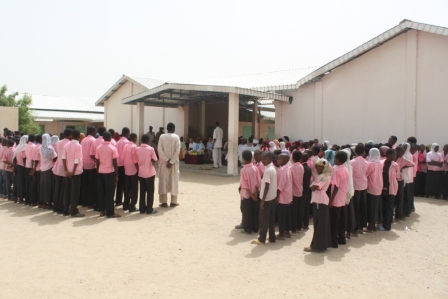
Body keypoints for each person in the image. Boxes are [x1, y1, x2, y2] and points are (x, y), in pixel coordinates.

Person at [304, 158, 332, 252]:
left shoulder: (322, 176)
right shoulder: (325, 175)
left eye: (318, 167)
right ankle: (323, 244)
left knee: (319, 224)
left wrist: (312, 185)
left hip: (319, 201)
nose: (316, 169)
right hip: (321, 200)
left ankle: (317, 246)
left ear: (324, 167)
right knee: (322, 223)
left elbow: (313, 187)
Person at [251, 151, 277, 245]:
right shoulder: (273, 168)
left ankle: (261, 239)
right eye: (262, 159)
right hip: (272, 196)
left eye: (265, 159)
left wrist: (262, 201)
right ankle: (272, 237)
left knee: (263, 219)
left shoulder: (267, 170)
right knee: (271, 218)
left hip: (267, 198)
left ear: (270, 158)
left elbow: (267, 185)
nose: (262, 161)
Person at [95, 131, 120, 218]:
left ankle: (102, 210)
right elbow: (115, 163)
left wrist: (98, 170)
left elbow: (97, 160)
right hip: (109, 172)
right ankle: (110, 212)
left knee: (101, 192)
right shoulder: (112, 148)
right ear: (110, 138)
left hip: (101, 172)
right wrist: (116, 175)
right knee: (109, 193)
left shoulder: (98, 147)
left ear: (103, 138)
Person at [158, 122, 180, 207]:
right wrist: (171, 161)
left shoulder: (162, 137)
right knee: (174, 181)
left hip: (164, 163)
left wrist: (167, 160)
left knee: (163, 181)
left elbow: (159, 150)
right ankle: (173, 202)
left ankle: (164, 202)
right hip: (173, 164)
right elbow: (178, 150)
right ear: (173, 128)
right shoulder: (176, 137)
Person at [62, 129, 84, 217]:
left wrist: (66, 170)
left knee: (67, 191)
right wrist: (73, 172)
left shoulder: (66, 145)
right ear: (79, 136)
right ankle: (73, 210)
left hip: (68, 171)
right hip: (76, 172)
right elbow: (77, 160)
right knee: (75, 192)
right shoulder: (78, 146)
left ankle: (65, 209)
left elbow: (63, 158)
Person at [329, 151, 349, 248]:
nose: (334, 160)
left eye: (335, 158)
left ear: (339, 159)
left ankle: (334, 242)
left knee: (334, 221)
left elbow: (336, 186)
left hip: (336, 198)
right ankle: (341, 238)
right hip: (342, 196)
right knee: (341, 219)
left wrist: (331, 200)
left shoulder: (337, 171)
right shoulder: (345, 169)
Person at [239, 150, 261, 234]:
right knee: (255, 210)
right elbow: (258, 181)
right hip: (255, 193)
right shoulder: (255, 168)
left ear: (243, 158)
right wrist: (255, 192)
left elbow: (244, 184)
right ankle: (255, 227)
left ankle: (248, 228)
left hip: (247, 194)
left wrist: (250, 194)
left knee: (247, 211)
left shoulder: (243, 170)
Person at [136, 134, 158, 214]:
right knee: (150, 192)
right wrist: (152, 162)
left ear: (141, 140)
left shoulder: (137, 149)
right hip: (150, 173)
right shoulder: (150, 149)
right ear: (148, 140)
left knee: (142, 192)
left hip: (141, 173)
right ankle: (149, 209)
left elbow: (135, 161)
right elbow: (155, 159)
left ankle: (142, 208)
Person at [379, 149, 399, 231]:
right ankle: (383, 222)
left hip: (391, 189)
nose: (396, 156)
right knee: (383, 207)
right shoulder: (381, 163)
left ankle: (387, 225)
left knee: (389, 207)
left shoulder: (395, 165)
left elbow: (397, 176)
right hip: (381, 189)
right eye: (394, 155)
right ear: (389, 155)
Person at [350, 144, 369, 234]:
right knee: (363, 207)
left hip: (355, 187)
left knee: (355, 208)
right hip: (364, 186)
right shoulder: (366, 162)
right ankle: (361, 226)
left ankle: (355, 228)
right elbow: (367, 173)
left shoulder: (352, 162)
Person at [53, 129, 72, 213]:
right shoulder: (68, 144)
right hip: (65, 167)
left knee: (58, 188)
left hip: (58, 167)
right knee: (64, 190)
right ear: (70, 135)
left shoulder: (59, 142)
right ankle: (62, 207)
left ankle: (56, 207)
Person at [366, 148, 383, 232]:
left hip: (371, 187)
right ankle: (374, 225)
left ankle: (370, 225)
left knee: (371, 206)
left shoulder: (371, 164)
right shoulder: (380, 164)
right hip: (379, 186)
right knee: (376, 206)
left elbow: (366, 174)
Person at [395, 145, 414, 219]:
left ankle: (399, 214)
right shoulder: (393, 158)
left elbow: (412, 164)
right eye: (401, 152)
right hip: (393, 179)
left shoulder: (403, 159)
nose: (402, 154)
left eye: (403, 152)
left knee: (400, 197)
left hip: (400, 179)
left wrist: (403, 167)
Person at [276, 154, 293, 240]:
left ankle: (281, 234)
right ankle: (287, 231)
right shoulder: (288, 168)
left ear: (283, 160)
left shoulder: (282, 170)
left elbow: (281, 185)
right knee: (287, 215)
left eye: (279, 159)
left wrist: (276, 196)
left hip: (282, 196)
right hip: (288, 195)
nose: (277, 160)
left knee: (282, 216)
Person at [90, 126, 106, 211]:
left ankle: (98, 205)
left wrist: (97, 160)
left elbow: (92, 155)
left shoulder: (94, 141)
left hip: (97, 167)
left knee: (98, 187)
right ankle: (104, 206)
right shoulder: (108, 142)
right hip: (107, 168)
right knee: (106, 188)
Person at [39, 134, 57, 210]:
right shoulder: (51, 149)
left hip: (42, 168)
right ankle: (49, 203)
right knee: (49, 187)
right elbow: (55, 157)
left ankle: (43, 203)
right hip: (49, 168)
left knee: (43, 186)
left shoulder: (40, 148)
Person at [122, 133, 139, 212]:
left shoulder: (125, 146)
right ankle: (132, 205)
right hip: (133, 170)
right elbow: (135, 160)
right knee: (134, 188)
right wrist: (138, 169)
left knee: (127, 188)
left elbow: (123, 158)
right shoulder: (134, 146)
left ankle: (126, 204)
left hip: (126, 169)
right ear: (134, 138)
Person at [81, 126, 96, 208]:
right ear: (93, 131)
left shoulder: (83, 140)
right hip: (91, 164)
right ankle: (90, 203)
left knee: (85, 184)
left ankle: (84, 202)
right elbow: (92, 154)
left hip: (84, 164)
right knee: (91, 184)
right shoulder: (93, 140)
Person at [115, 127, 130, 207]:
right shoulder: (127, 142)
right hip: (124, 165)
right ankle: (126, 201)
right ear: (127, 133)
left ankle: (118, 200)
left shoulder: (117, 142)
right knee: (126, 184)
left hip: (118, 165)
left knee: (119, 184)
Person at [290, 150, 304, 234]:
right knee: (298, 210)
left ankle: (294, 228)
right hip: (300, 190)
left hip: (294, 191)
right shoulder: (301, 166)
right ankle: (299, 226)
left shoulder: (291, 167)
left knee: (293, 211)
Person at [13, 135, 28, 203]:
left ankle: (16, 197)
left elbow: (14, 158)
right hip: (22, 167)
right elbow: (24, 158)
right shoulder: (24, 148)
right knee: (22, 182)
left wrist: (14, 168)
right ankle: (21, 198)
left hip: (17, 166)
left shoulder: (18, 147)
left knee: (17, 182)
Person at [29, 135, 42, 207]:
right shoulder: (40, 147)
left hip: (34, 168)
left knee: (34, 185)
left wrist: (32, 168)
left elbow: (32, 159)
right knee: (39, 186)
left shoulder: (34, 147)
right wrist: (34, 169)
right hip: (38, 168)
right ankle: (39, 202)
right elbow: (37, 159)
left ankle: (33, 201)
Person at [301, 153, 312, 230]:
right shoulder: (308, 167)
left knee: (302, 207)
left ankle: (303, 223)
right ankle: (306, 224)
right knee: (306, 207)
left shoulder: (303, 168)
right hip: (307, 188)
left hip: (303, 189)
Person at [24, 134, 36, 205]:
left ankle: (27, 200)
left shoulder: (26, 146)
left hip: (26, 166)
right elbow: (32, 159)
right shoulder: (33, 146)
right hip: (31, 166)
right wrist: (33, 169)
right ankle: (31, 200)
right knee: (32, 184)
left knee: (27, 183)